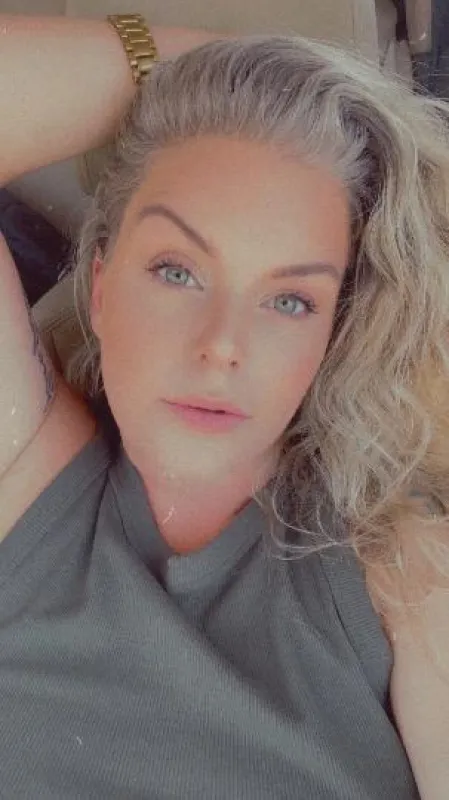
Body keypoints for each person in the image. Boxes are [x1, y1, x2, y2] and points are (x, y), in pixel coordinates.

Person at [0, 11, 449, 800]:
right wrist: (219, 70)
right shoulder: (26, 493)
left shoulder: (404, 580)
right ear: (100, 288)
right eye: (176, 271)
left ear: (333, 334)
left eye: (289, 301)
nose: (222, 346)